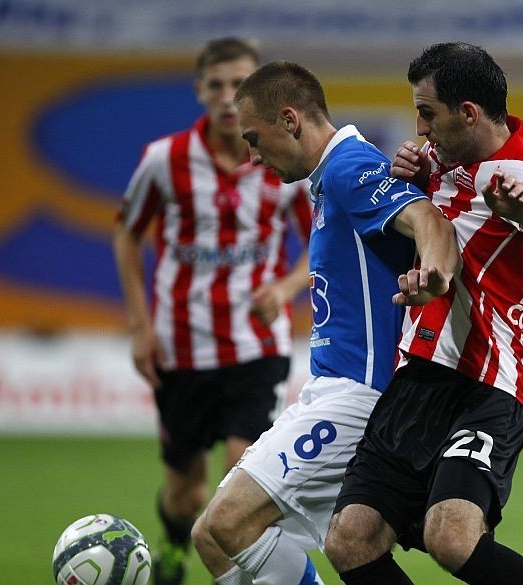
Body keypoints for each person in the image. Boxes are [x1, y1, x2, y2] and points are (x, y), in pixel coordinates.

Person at [189, 60, 459, 585]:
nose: (252, 157)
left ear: (290, 119)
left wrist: (432, 275)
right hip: (328, 390)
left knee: (227, 522)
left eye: (255, 139)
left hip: (358, 395)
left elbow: (427, 218)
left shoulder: (347, 167)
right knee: (212, 537)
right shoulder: (327, 180)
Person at [324, 42, 523, 585]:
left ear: (470, 114)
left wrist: (522, 207)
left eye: (428, 112)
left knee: (451, 536)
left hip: (484, 388)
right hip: (416, 380)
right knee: (349, 539)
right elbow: (415, 216)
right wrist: (403, 176)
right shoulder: (435, 163)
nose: (420, 127)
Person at [113, 38, 313, 585]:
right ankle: (174, 546)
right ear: (200, 90)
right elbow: (127, 237)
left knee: (239, 477)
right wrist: (139, 328)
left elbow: (323, 238)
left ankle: (246, 576)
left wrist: (289, 285)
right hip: (181, 345)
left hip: (256, 345)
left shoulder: (283, 158)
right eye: (218, 84)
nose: (229, 96)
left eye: (240, 84)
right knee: (186, 491)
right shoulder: (164, 160)